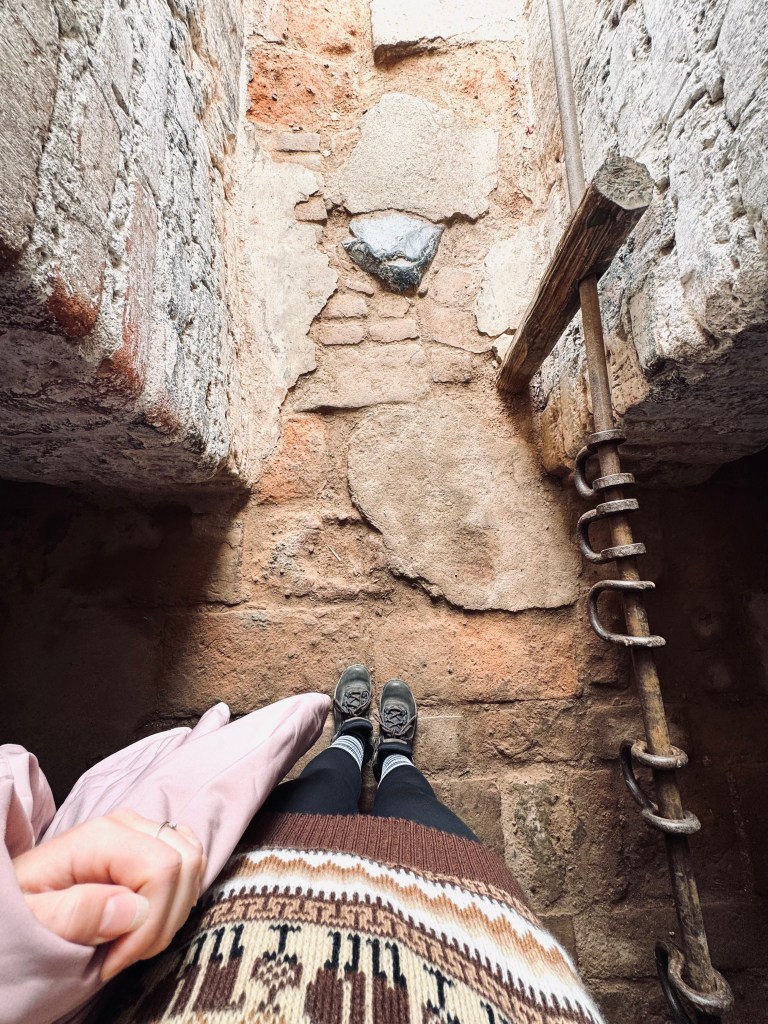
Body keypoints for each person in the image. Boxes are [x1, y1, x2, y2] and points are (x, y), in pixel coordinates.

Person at [91, 667, 605, 1024]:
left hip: (248, 915)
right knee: (413, 801)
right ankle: (391, 755)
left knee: (319, 786)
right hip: (473, 947)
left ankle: (353, 740)